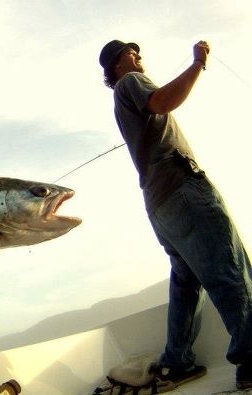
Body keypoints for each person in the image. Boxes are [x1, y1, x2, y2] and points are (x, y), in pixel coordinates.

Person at [99, 39, 252, 390]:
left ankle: (178, 361)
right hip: (184, 190)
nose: (138, 56)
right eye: (130, 53)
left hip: (160, 203)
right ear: (117, 65)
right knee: (227, 268)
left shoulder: (122, 95)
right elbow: (163, 101)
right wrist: (198, 63)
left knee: (186, 282)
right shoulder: (130, 82)